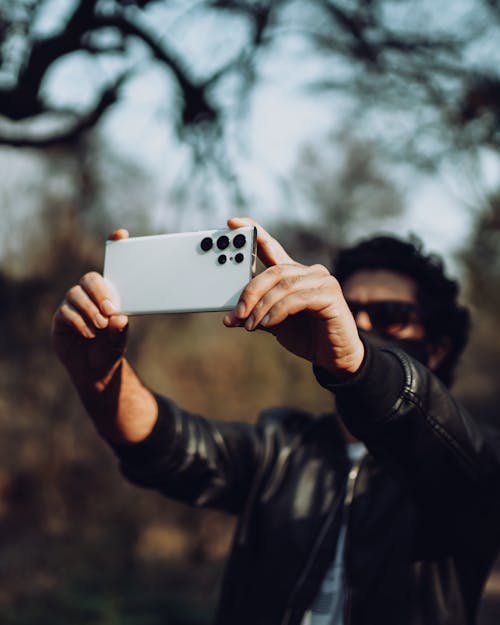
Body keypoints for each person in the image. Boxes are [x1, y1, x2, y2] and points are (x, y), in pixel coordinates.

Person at [52, 217, 500, 625]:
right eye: (350, 306)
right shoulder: (283, 445)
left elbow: (454, 458)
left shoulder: (470, 459)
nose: (361, 321)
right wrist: (99, 376)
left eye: (390, 316)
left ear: (438, 348)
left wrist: (358, 364)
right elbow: (169, 447)